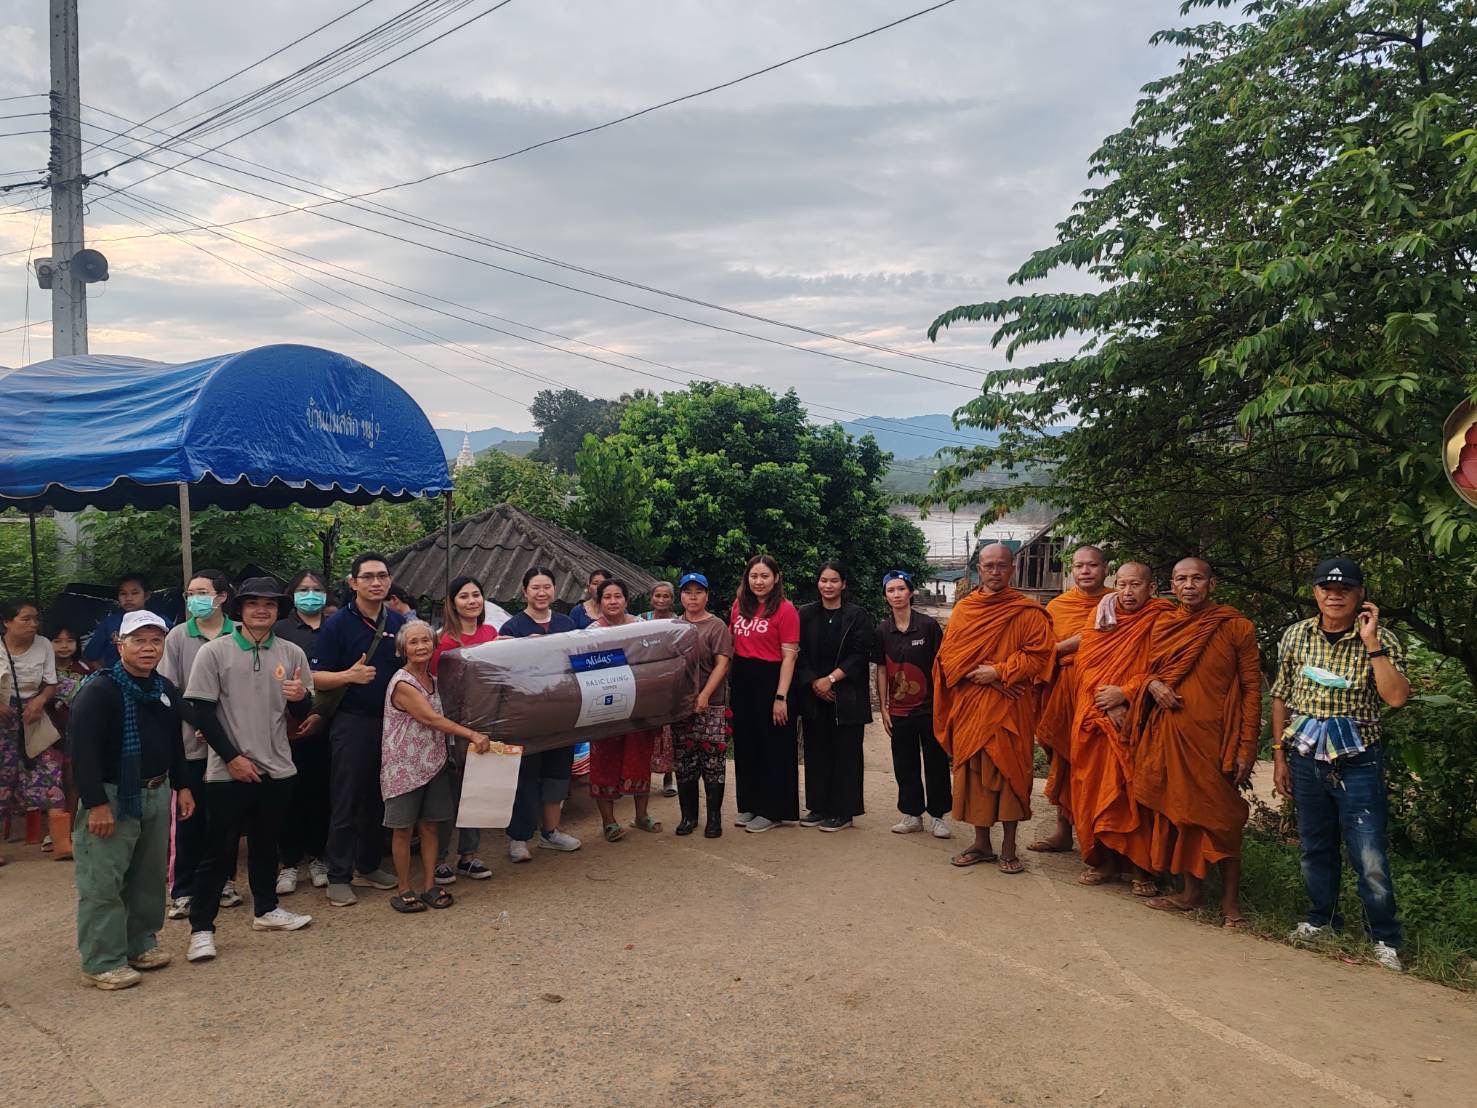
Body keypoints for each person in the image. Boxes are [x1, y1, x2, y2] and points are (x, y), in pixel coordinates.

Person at [1271, 558, 1410, 971]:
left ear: (1360, 594)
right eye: (1326, 588)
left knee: (1368, 853)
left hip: (1358, 760)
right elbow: (1280, 695)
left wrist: (1372, 643)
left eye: (1345, 589)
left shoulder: (1380, 638)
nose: (1335, 595)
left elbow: (1397, 698)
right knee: (1315, 846)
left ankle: (1384, 937)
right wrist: (1279, 753)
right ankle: (1322, 920)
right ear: (1315, 592)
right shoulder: (1296, 636)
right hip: (1306, 756)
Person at [184, 579, 315, 963]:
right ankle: (202, 929)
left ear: (279, 611)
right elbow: (201, 710)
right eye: (254, 604)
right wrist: (232, 757)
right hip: (228, 771)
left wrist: (301, 699)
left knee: (266, 843)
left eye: (270, 605)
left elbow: (302, 713)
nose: (262, 610)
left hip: (278, 766)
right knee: (218, 852)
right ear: (239, 609)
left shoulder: (291, 653)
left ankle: (266, 910)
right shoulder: (214, 652)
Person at [1130, 558, 1260, 927]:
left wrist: (1247, 746)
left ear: (1212, 584)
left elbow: (1252, 688)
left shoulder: (1237, 627)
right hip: (1172, 731)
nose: (1189, 585)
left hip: (1218, 739)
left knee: (1224, 818)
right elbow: (1146, 673)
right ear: (1171, 584)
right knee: (1182, 814)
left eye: (1197, 578)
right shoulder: (1164, 625)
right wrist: (1153, 686)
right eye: (1182, 579)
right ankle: (1190, 892)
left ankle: (1231, 904)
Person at [69, 611, 195, 990]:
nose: (148, 648)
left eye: (155, 640)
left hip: (156, 790)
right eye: (138, 640)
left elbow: (175, 743)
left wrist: (183, 786)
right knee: (103, 881)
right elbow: (83, 752)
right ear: (119, 644)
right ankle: (102, 960)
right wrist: (95, 804)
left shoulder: (162, 688)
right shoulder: (100, 690)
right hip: (111, 795)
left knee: (148, 876)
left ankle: (141, 943)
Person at [934, 544, 1055, 874]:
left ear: (1012, 569)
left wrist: (999, 672)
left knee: (1010, 774)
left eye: (1002, 565)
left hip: (1011, 712)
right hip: (974, 705)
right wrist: (994, 678)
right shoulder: (964, 611)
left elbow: (1040, 655)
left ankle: (1009, 846)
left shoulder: (1027, 612)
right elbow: (950, 660)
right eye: (989, 566)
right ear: (979, 569)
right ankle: (981, 843)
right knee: (975, 777)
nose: (995, 571)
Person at [1066, 562, 1171, 893]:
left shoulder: (1163, 617)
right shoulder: (1102, 617)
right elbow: (1086, 667)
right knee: (1098, 788)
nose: (1127, 592)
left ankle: (1142, 868)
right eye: (1122, 584)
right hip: (1097, 717)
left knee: (1136, 790)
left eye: (1135, 585)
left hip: (1143, 718)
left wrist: (1125, 694)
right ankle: (1106, 861)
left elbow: (1167, 667)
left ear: (1151, 587)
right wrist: (1106, 702)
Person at [312, 552, 406, 907]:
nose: (376, 582)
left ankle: (368, 865)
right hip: (352, 721)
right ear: (353, 583)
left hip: (392, 722)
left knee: (380, 798)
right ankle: (338, 874)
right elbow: (314, 676)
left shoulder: (397, 620)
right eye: (367, 577)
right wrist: (349, 676)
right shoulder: (337, 625)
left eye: (382, 576)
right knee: (347, 797)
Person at [382, 620, 491, 913]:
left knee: (431, 826)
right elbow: (430, 719)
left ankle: (430, 884)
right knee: (403, 829)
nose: (420, 647)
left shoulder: (433, 678)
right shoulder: (403, 682)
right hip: (404, 766)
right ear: (402, 647)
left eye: (425, 641)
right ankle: (404, 888)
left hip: (433, 762)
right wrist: (471, 735)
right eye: (413, 642)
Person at [157, 570, 237, 918]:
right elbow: (169, 689)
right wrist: (201, 722)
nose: (194, 599)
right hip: (190, 744)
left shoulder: (240, 633)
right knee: (189, 816)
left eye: (202, 592)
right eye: (190, 593)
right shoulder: (176, 636)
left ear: (222, 597)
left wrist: (219, 729)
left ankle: (224, 883)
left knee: (226, 817)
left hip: (231, 745)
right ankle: (184, 889)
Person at [494, 568, 583, 866]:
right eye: (535, 587)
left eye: (547, 587)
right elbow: (503, 671)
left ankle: (551, 833)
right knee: (525, 777)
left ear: (554, 591)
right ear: (525, 592)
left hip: (562, 712)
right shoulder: (512, 626)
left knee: (557, 775)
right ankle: (519, 838)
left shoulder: (566, 623)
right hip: (527, 717)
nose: (541, 593)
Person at [1028, 545, 1109, 855]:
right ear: (1071, 570)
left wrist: (1061, 650)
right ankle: (1063, 832)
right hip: (1063, 695)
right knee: (1063, 762)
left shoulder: (1119, 602)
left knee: (1099, 767)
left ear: (1104, 568)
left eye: (1092, 565)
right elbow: (1041, 648)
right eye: (1079, 566)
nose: (1085, 571)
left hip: (1101, 696)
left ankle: (1101, 841)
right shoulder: (1058, 607)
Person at [794, 561, 875, 832]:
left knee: (846, 754)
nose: (828, 586)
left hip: (847, 696)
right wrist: (815, 683)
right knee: (816, 753)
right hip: (814, 695)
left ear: (843, 584)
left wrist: (830, 680)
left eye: (834, 581)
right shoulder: (804, 614)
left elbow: (860, 654)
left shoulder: (857, 615)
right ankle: (818, 807)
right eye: (824, 580)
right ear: (818, 583)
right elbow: (798, 652)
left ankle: (843, 811)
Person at [428, 574, 497, 879]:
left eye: (476, 595)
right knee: (447, 792)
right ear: (452, 603)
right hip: (451, 725)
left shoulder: (492, 633)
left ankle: (469, 854)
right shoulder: (441, 641)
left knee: (477, 789)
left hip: (487, 721)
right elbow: (432, 686)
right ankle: (440, 858)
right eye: (464, 596)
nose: (472, 601)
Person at [585, 579, 664, 841]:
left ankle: (641, 816)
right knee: (604, 761)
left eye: (618, 596)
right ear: (599, 602)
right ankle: (609, 821)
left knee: (640, 758)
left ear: (626, 600)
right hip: (604, 706)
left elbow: (652, 660)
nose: (613, 601)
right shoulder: (591, 632)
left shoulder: (642, 627)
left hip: (638, 703)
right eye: (607, 597)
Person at [873, 571, 949, 838]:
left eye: (901, 589)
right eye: (890, 590)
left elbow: (940, 667)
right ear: (885, 596)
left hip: (928, 708)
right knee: (904, 762)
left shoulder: (928, 626)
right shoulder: (883, 630)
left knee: (935, 761)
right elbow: (881, 669)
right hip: (899, 710)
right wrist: (883, 706)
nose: (896, 595)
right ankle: (911, 814)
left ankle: (938, 816)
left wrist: (943, 704)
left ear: (911, 592)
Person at [729, 554, 801, 834]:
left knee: (774, 747)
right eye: (754, 576)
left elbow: (790, 657)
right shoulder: (739, 607)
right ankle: (750, 804)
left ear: (776, 578)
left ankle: (773, 810)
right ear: (747, 579)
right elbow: (732, 644)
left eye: (764, 576)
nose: (759, 582)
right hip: (743, 681)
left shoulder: (785, 611)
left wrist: (780, 697)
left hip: (772, 681)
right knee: (747, 745)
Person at [273, 570, 332, 895]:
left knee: (320, 794)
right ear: (292, 595)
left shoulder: (334, 629)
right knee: (287, 795)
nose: (310, 594)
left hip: (325, 726)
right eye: (303, 589)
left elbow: (344, 675)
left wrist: (321, 714)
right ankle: (289, 862)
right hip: (284, 728)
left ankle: (319, 856)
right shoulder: (280, 631)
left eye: (317, 589)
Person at [670, 573, 733, 838]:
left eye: (698, 591)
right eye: (687, 591)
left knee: (713, 761)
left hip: (712, 704)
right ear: (680, 596)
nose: (693, 596)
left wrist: (705, 694)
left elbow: (723, 663)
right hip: (680, 705)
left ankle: (714, 818)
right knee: (684, 762)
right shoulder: (673, 626)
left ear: (707, 595)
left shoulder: (716, 626)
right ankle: (688, 817)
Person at [1, 600, 62, 863]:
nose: (33, 624)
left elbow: (51, 684)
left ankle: (61, 843)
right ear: (7, 622)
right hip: (3, 715)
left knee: (50, 772)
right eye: (25, 619)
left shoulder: (44, 644)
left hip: (34, 714)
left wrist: (38, 702)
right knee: (2, 779)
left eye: (35, 619)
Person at [42, 619, 92, 859]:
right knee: (52, 784)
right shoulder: (42, 669)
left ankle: (72, 830)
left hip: (77, 734)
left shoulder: (86, 669)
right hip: (47, 735)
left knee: (73, 781)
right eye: (57, 640)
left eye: (69, 640)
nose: (63, 646)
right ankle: (55, 834)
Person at [83, 573, 151, 670]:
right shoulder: (110, 623)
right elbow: (90, 656)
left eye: (135, 593)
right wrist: (107, 677)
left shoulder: (161, 622)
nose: (128, 598)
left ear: (147, 595)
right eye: (123, 593)